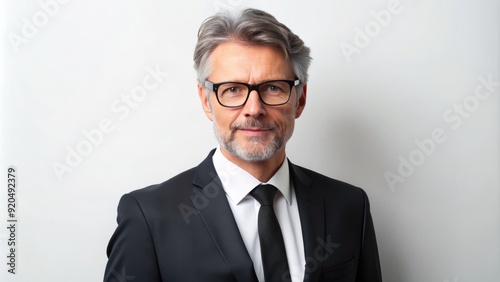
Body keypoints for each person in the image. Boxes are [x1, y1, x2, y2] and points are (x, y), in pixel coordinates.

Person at [104, 8, 382, 282]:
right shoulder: (149, 216)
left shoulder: (349, 205)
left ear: (300, 99)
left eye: (273, 87)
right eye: (233, 89)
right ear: (206, 101)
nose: (254, 109)